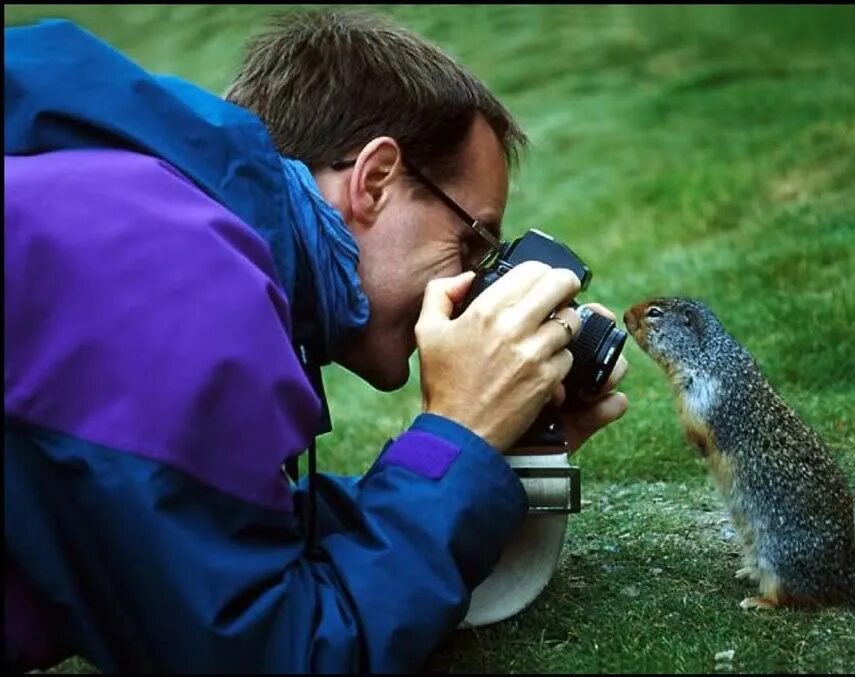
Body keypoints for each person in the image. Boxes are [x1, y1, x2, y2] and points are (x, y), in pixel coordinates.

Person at [3, 8, 629, 673]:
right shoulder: (180, 273)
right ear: (376, 179)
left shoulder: (145, 217)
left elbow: (209, 535)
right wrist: (462, 431)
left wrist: (488, 459)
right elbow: (269, 649)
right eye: (471, 241)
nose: (474, 284)